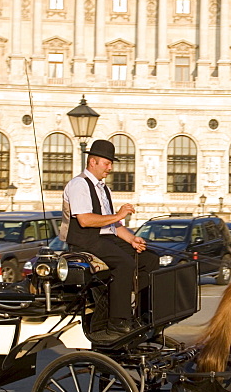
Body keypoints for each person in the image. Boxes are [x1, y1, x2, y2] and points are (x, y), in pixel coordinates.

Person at [61, 139, 159, 341]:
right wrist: (119, 215)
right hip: (85, 240)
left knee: (149, 259)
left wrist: (132, 239)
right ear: (93, 162)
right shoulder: (79, 184)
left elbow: (112, 225)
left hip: (104, 239)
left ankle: (139, 313)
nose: (110, 168)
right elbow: (86, 220)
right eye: (107, 163)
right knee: (125, 263)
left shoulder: (103, 188)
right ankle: (117, 321)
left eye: (111, 164)